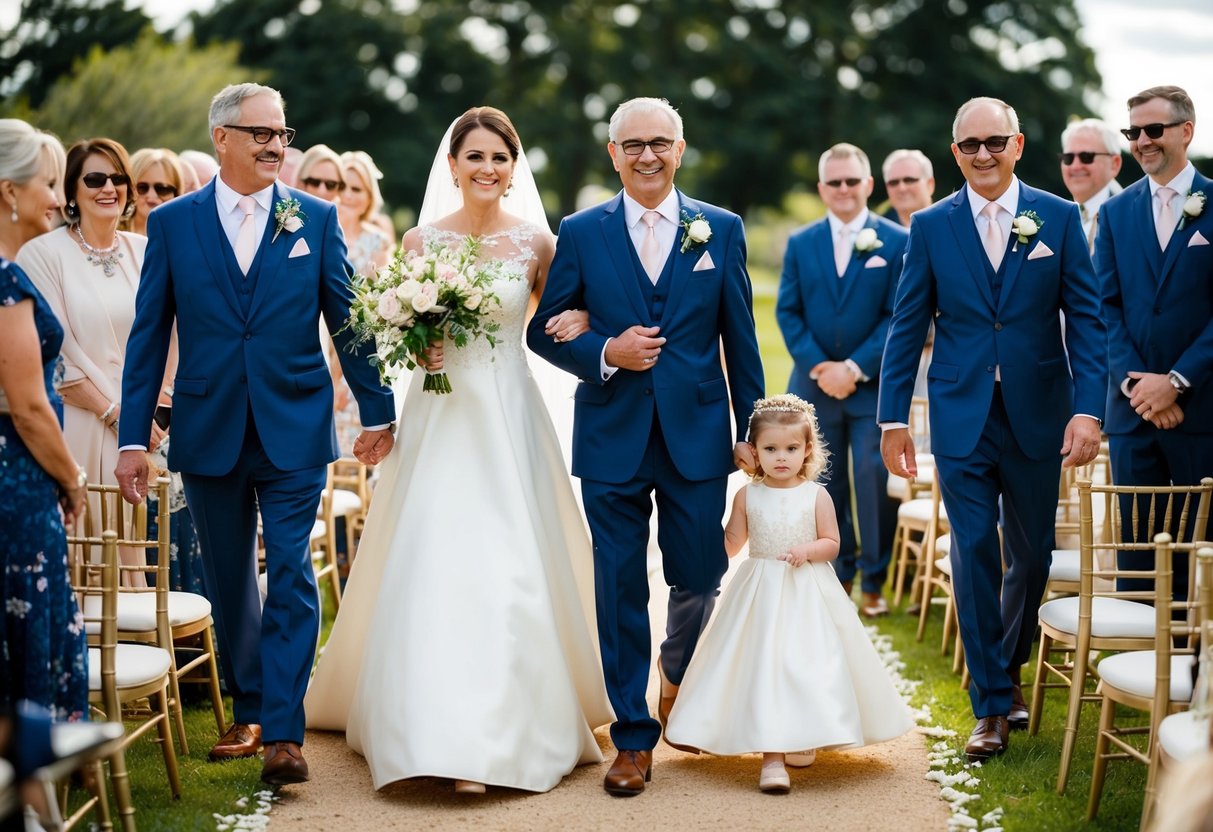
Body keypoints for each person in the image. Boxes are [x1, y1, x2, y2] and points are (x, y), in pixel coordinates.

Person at [305, 106, 612, 795]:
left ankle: (493, 737)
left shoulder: (538, 243)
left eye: (499, 157)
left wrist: (584, 316)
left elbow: (561, 316)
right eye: (474, 156)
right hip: (438, 415)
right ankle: (428, 729)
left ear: (514, 168)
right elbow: (392, 328)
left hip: (508, 417)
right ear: (452, 165)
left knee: (508, 563)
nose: (487, 168)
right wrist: (420, 345)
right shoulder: (420, 242)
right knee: (432, 558)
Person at [114, 82, 396, 787]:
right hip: (207, 425)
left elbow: (348, 320)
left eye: (281, 134)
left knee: (292, 569)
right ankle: (249, 708)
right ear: (222, 138)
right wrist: (132, 439)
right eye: (261, 133)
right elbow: (149, 336)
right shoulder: (173, 224)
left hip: (294, 423)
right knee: (229, 576)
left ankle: (284, 733)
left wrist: (378, 409)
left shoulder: (315, 218)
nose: (276, 145)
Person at [527, 97, 766, 796]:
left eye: (659, 143)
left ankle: (676, 670)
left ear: (679, 149)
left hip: (698, 436)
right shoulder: (581, 231)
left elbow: (740, 338)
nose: (647, 156)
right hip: (611, 436)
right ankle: (632, 737)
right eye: (632, 145)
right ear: (613, 154)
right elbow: (543, 330)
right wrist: (607, 351)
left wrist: (750, 430)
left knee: (700, 574)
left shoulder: (720, 228)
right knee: (620, 585)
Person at [877, 96, 1106, 762]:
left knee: (1031, 556)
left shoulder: (1056, 217)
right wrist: (892, 418)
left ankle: (1006, 670)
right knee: (974, 547)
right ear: (954, 153)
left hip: (1038, 412)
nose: (983, 154)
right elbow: (906, 325)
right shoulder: (930, 226)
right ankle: (990, 704)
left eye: (994, 142)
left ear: (1017, 145)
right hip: (960, 413)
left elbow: (1086, 320)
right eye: (970, 144)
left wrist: (1088, 410)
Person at [664, 394, 912, 792]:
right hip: (759, 593)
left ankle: (802, 733)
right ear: (754, 452)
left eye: (791, 449)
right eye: (771, 449)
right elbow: (733, 542)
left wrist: (807, 551)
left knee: (807, 663)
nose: (782, 457)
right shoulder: (747, 495)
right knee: (767, 665)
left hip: (806, 590)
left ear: (807, 449)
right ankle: (772, 757)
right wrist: (702, 542)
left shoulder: (816, 495)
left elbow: (832, 543)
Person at [18, 137, 168, 587]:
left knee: (139, 564)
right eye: (95, 179)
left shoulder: (147, 250)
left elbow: (174, 337)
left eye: (118, 178)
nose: (109, 188)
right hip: (79, 425)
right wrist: (118, 415)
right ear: (71, 189)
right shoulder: (42, 255)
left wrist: (154, 412)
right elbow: (58, 355)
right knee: (84, 563)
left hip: (145, 431)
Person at [776, 142, 906, 618]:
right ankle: (837, 570)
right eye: (835, 182)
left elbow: (898, 315)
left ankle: (874, 579)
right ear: (822, 188)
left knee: (873, 477)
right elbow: (788, 312)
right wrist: (820, 367)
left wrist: (852, 368)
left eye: (853, 180)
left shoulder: (897, 240)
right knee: (821, 482)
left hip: (871, 386)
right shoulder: (801, 242)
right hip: (814, 388)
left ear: (868, 184)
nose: (844, 189)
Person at [1097, 85, 1213, 600]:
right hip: (1133, 415)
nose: (1142, 141)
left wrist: (1178, 381)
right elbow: (1104, 307)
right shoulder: (1115, 213)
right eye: (1133, 131)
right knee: (1137, 559)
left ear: (1186, 131)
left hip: (1203, 411)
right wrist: (1140, 388)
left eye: (1153, 129)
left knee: (1200, 555)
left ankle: (1196, 649)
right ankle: (1139, 648)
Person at [0, 119, 88, 722]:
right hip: (18, 483)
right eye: (49, 183)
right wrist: (71, 478)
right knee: (27, 622)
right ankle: (33, 762)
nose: (58, 199)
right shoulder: (7, 283)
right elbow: (29, 408)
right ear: (10, 191)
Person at [1059, 118, 1123, 251]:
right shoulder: (1055, 217)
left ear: (1114, 164)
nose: (1075, 166)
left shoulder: (1130, 218)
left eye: (1087, 157)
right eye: (1068, 158)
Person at [126, 148, 184, 236]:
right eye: (142, 188)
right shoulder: (111, 235)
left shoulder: (185, 235)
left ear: (176, 194)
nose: (151, 195)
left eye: (162, 189)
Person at [881, 149, 936, 227]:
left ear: (930, 184)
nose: (902, 188)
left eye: (909, 180)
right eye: (894, 182)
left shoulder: (949, 226)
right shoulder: (877, 232)